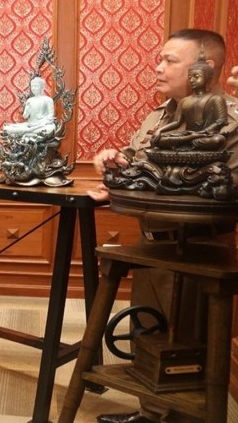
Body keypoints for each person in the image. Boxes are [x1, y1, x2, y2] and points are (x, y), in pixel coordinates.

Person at [89, 30, 238, 423]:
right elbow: (140, 159)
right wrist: (115, 162)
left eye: (170, 60)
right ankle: (150, 414)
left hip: (199, 247)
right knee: (147, 331)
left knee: (189, 345)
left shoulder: (230, 114)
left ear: (204, 66)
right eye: (160, 58)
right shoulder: (159, 115)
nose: (158, 67)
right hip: (151, 241)